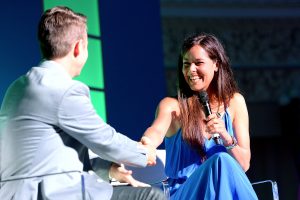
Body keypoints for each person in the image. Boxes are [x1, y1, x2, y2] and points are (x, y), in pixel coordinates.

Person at [0, 6, 165, 200]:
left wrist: (109, 169)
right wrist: (144, 153)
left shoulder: (17, 87)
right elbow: (105, 140)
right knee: (151, 196)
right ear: (79, 47)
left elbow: (50, 153)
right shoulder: (64, 89)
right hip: (52, 194)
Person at [141, 33, 258, 199]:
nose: (191, 70)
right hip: (186, 193)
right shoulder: (172, 106)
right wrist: (148, 142)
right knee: (220, 160)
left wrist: (225, 136)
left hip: (221, 189)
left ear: (216, 64)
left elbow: (244, 164)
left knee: (222, 162)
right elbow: (155, 131)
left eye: (198, 63)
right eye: (186, 64)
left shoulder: (235, 102)